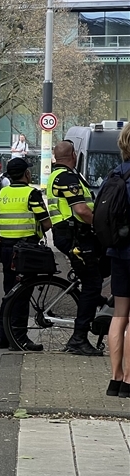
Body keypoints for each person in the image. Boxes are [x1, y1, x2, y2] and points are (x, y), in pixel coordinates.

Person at [0, 157, 52, 351]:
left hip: (6, 249)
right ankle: (19, 338)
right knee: (23, 293)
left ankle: (2, 336)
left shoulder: (2, 194)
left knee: (9, 292)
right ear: (27, 174)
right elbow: (46, 223)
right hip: (26, 251)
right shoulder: (32, 194)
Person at [46, 140, 107, 356]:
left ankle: (101, 304)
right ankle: (79, 338)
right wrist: (103, 227)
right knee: (93, 284)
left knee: (99, 271)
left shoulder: (56, 175)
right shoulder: (67, 178)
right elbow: (81, 210)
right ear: (73, 155)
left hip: (70, 236)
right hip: (76, 237)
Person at [106, 124, 130, 398]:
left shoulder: (115, 174)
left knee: (119, 316)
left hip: (117, 252)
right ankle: (129, 382)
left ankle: (115, 379)